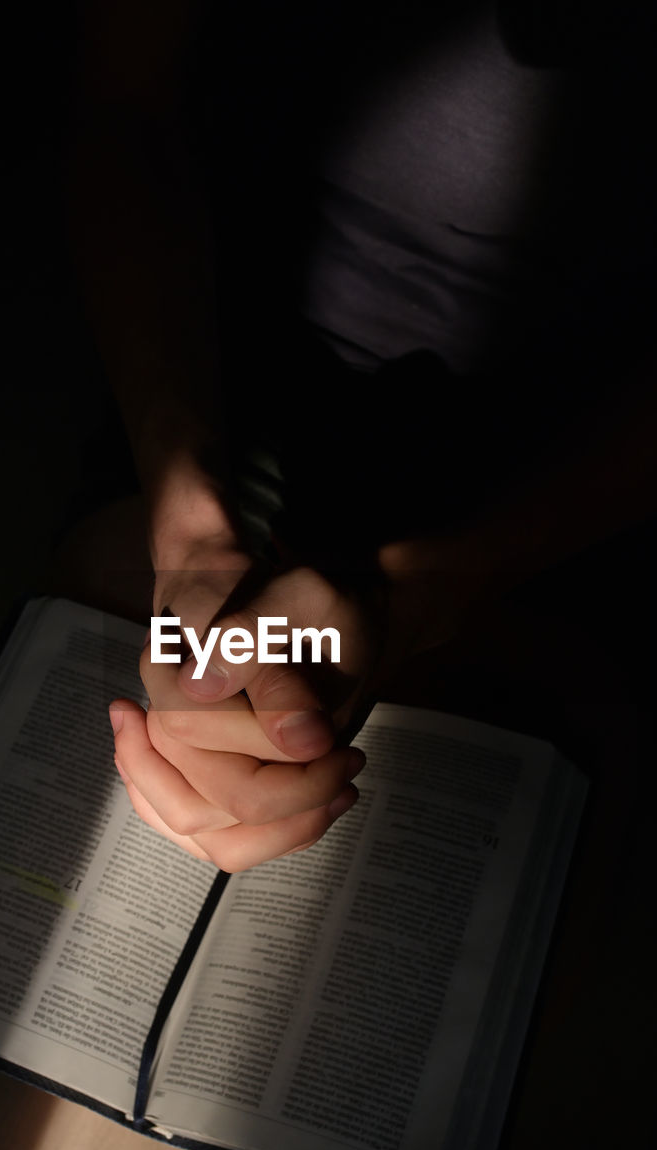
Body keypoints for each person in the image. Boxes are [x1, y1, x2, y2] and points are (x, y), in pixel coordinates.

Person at [72, 0, 657, 871]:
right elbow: (119, 105)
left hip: (572, 457)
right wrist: (188, 519)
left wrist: (430, 590)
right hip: (228, 373)